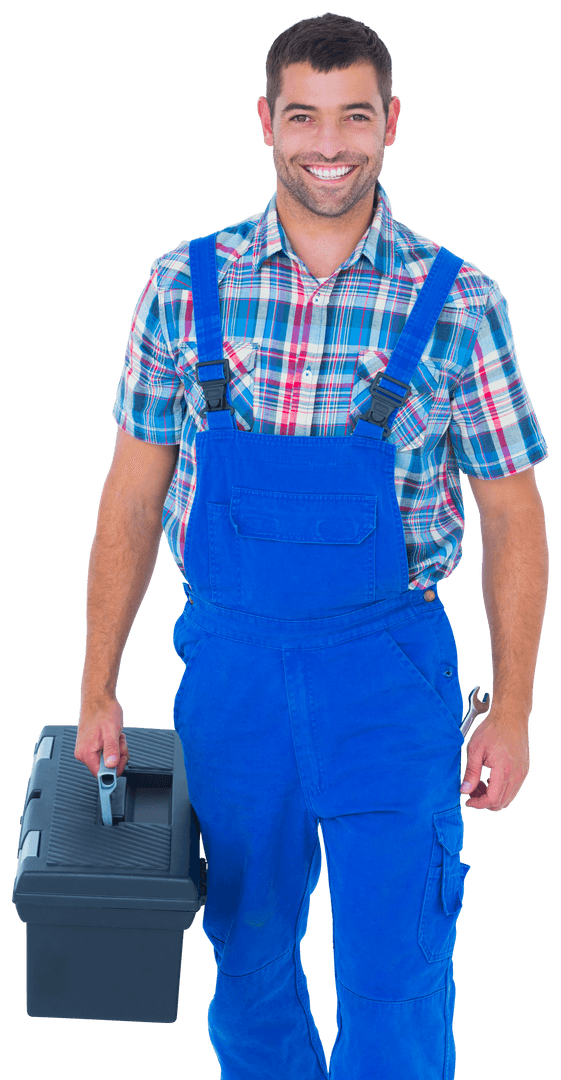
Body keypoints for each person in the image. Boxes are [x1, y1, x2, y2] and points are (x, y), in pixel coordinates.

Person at [75, 12, 549, 1079]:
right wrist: (99, 684)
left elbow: (515, 515)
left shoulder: (461, 301)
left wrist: (512, 708)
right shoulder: (182, 285)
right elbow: (129, 496)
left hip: (390, 681)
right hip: (233, 679)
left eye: (352, 117)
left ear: (391, 124)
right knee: (246, 965)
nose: (326, 144)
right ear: (265, 123)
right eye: (302, 116)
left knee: (397, 978)